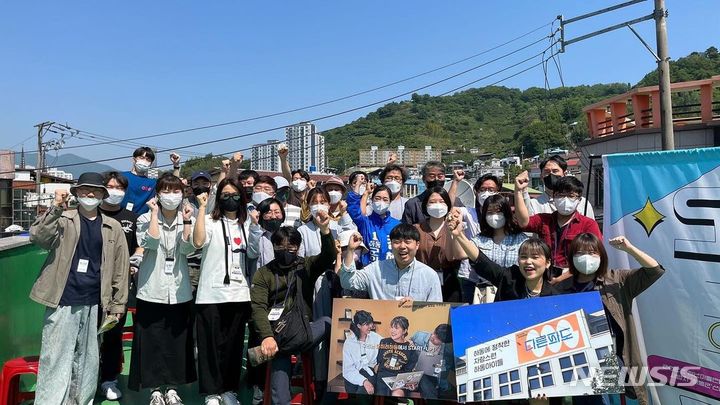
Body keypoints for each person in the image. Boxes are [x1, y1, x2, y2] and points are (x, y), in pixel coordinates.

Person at [29, 172, 129, 405]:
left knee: (87, 361)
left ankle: (81, 401)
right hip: (63, 299)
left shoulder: (112, 227)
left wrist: (118, 304)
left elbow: (120, 269)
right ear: (76, 193)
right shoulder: (64, 219)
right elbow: (38, 237)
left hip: (96, 301)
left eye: (95, 191)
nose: (90, 194)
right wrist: (55, 207)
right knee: (56, 358)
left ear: (103, 195)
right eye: (84, 190)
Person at [556, 233, 664, 405]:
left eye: (592, 253)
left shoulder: (617, 279)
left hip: (613, 359)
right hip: (580, 364)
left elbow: (654, 270)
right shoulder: (561, 289)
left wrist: (629, 249)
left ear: (601, 256)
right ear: (571, 257)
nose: (586, 257)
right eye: (580, 253)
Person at [250, 220, 337, 405]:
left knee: (329, 323)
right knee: (281, 348)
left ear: (298, 247)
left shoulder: (304, 266)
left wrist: (325, 231)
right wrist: (267, 336)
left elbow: (328, 256)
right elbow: (258, 307)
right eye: (280, 246)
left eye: (291, 246)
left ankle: (329, 389)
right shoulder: (264, 273)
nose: (285, 250)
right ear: (273, 247)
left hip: (303, 328)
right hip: (276, 333)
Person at [129, 173, 197, 405]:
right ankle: (154, 389)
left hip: (179, 291)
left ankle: (172, 388)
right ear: (157, 194)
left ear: (182, 194)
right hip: (151, 289)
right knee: (152, 341)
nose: (171, 196)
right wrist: (155, 214)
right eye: (165, 191)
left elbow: (188, 249)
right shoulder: (144, 219)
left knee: (176, 342)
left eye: (175, 191)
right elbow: (151, 242)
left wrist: (187, 221)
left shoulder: (188, 218)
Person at [192, 179, 251, 405]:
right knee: (209, 345)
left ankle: (229, 389)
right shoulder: (208, 220)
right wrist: (202, 208)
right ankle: (211, 392)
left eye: (235, 195)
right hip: (211, 293)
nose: (230, 199)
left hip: (239, 293)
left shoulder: (247, 223)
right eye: (225, 195)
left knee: (234, 345)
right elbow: (197, 242)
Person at [98, 171, 143, 401]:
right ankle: (86, 376)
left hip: (120, 286)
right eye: (110, 186)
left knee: (113, 332)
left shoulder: (131, 217)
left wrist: (135, 261)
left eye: (119, 188)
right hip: (91, 284)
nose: (115, 191)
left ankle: (109, 379)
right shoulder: (92, 214)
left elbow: (138, 247)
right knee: (87, 333)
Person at [448, 210, 561, 301]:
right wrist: (459, 235)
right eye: (523, 257)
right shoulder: (509, 279)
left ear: (547, 262)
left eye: (535, 257)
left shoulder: (554, 297)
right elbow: (481, 260)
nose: (528, 261)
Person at [514, 171, 602, 283]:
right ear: (554, 197)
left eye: (571, 196)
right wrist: (518, 191)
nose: (565, 200)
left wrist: (562, 278)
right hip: (547, 276)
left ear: (579, 200)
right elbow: (523, 222)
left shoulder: (588, 224)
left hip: (576, 278)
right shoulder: (543, 220)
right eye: (561, 195)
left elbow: (595, 256)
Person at [339, 224, 442, 302]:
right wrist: (350, 250)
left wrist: (416, 308)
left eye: (407, 241)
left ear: (417, 245)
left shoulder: (429, 275)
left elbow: (435, 311)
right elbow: (347, 282)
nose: (402, 246)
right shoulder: (376, 269)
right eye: (397, 242)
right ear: (391, 245)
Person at [413, 186, 462, 302]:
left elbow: (458, 255)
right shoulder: (416, 229)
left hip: (449, 281)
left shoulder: (455, 227)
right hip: (421, 279)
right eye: (432, 202)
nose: (437, 205)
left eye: (442, 201)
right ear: (425, 205)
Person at [524, 154, 596, 219]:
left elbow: (591, 230)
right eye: (547, 171)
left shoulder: (582, 202)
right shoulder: (533, 204)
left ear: (565, 174)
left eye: (555, 171)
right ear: (541, 176)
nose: (551, 175)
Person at [347, 184, 401, 266]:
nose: (381, 202)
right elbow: (353, 208)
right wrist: (359, 186)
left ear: (390, 202)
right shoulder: (365, 222)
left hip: (391, 272)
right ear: (372, 200)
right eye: (377, 198)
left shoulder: (397, 225)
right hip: (368, 271)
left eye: (385, 199)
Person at [375, 316, 420, 397]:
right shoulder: (384, 342)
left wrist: (410, 383)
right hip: (383, 377)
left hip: (399, 379)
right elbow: (379, 361)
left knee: (398, 394)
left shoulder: (410, 348)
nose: (392, 330)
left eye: (396, 328)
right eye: (391, 327)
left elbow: (409, 370)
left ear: (404, 331)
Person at [342, 310, 382, 395]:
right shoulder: (349, 343)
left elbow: (389, 343)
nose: (371, 326)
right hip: (353, 373)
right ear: (359, 326)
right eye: (367, 324)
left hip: (370, 371)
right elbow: (348, 370)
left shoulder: (376, 337)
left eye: (371, 323)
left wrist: (406, 341)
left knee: (363, 393)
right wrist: (363, 381)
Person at [410, 324, 454, 399]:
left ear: (443, 342)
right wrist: (410, 344)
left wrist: (440, 368)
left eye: (437, 338)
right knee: (424, 379)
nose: (433, 337)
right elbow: (408, 342)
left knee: (425, 379)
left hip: (430, 376)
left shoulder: (447, 351)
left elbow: (443, 373)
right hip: (414, 369)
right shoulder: (419, 335)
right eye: (434, 333)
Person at [248, 197, 287, 270]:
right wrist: (254, 225)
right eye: (268, 212)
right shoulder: (255, 233)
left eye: (277, 212)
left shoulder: (287, 234)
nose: (273, 216)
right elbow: (252, 254)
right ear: (260, 214)